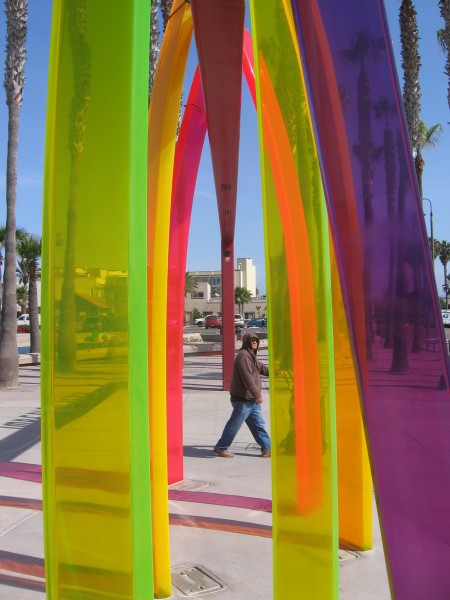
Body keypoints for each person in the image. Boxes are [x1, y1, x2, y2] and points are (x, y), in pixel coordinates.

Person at [213, 332, 271, 458]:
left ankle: (267, 448)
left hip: (250, 400)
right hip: (243, 399)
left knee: (258, 425)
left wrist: (277, 372)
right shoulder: (244, 356)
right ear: (246, 342)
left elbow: (262, 368)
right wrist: (257, 394)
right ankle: (221, 447)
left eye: (256, 340)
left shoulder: (250, 355)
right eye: (252, 340)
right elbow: (247, 378)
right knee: (234, 425)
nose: (254, 342)